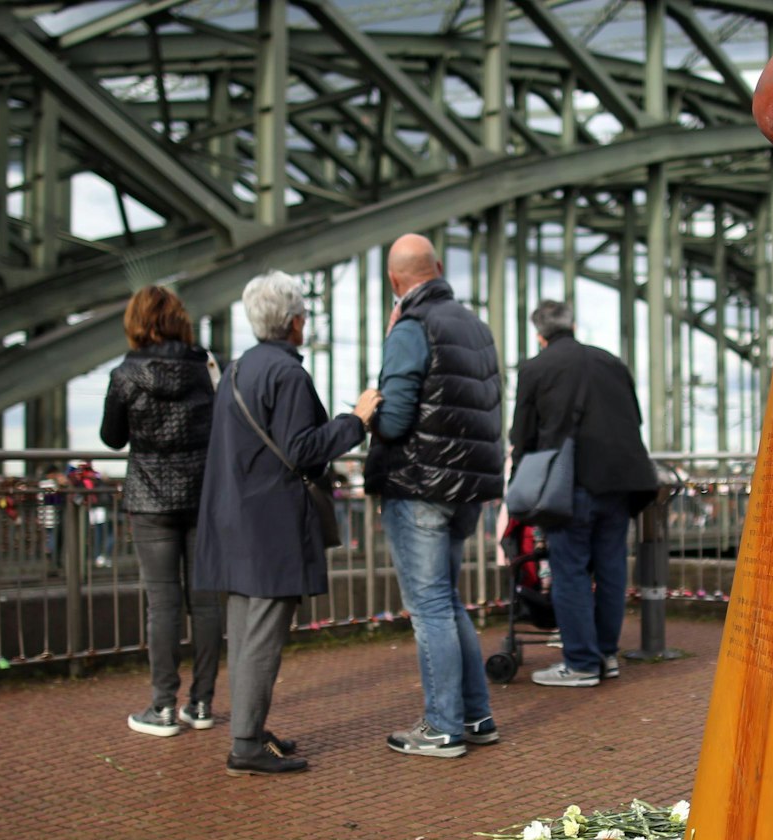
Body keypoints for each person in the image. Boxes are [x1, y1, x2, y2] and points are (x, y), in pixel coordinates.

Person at [195, 270, 381, 776]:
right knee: (262, 639)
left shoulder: (237, 370)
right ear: (295, 320)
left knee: (244, 633)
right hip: (269, 525)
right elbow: (303, 450)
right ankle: (246, 746)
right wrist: (357, 421)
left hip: (232, 520)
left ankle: (250, 731)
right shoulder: (288, 374)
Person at [369, 233, 505, 759]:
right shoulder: (476, 326)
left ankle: (443, 727)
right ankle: (476, 715)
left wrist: (369, 407)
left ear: (394, 281)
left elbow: (398, 416)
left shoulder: (412, 326)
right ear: (439, 268)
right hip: (467, 489)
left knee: (429, 607)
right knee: (447, 601)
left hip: (419, 486)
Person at [511, 300, 660, 687]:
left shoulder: (536, 368)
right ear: (573, 324)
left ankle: (580, 663)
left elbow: (522, 436)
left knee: (570, 571)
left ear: (539, 334)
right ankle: (606, 655)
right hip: (622, 484)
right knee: (610, 568)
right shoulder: (611, 362)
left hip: (571, 484)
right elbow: (635, 419)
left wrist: (519, 489)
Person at [100, 284, 225, 737]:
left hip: (149, 499)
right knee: (207, 602)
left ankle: (163, 708)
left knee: (163, 603)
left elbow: (112, 438)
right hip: (201, 495)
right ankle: (203, 704)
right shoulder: (208, 367)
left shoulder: (124, 375)